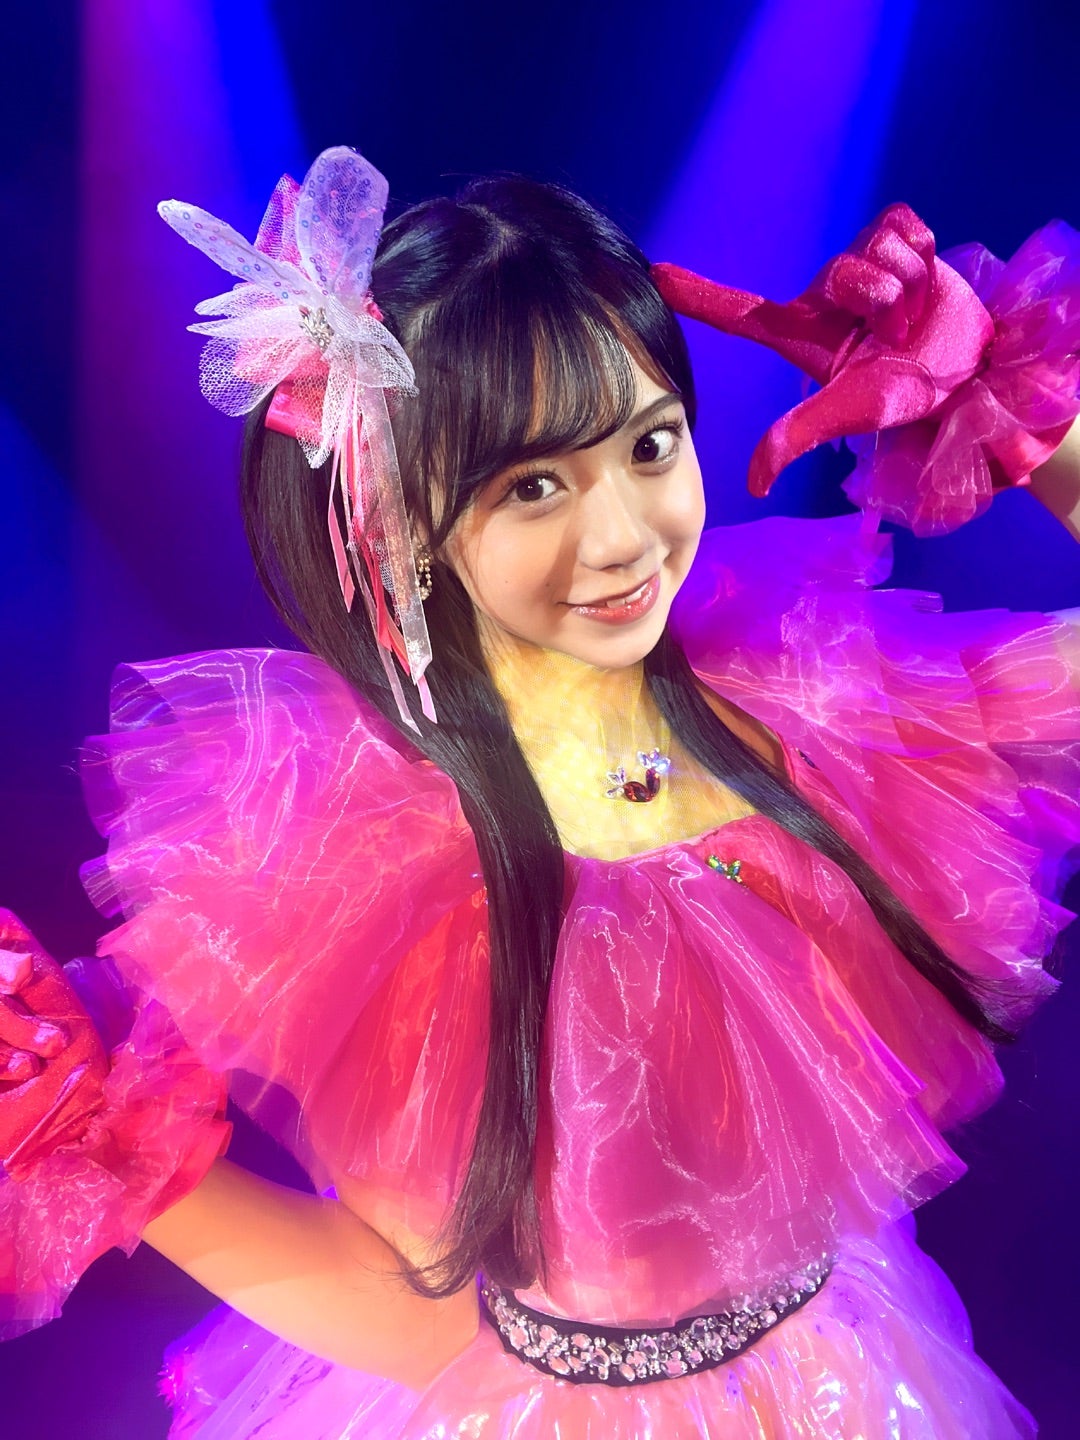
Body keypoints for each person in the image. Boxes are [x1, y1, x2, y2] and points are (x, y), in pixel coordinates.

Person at [1, 145, 1079, 1438]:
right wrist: (95, 1145)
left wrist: (1029, 428)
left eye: (650, 445)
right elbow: (414, 1315)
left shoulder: (817, 704)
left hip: (845, 1385)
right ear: (401, 520)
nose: (622, 537)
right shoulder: (372, 855)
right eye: (533, 486)